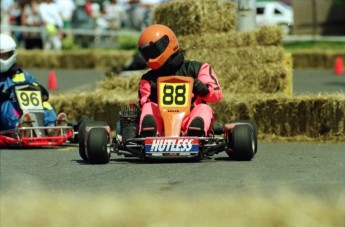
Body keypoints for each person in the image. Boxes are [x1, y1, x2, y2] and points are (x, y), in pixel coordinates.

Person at [136, 24, 222, 138]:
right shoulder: (148, 79)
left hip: (190, 117)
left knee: (204, 108)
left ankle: (195, 133)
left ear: (166, 43)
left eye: (153, 51)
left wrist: (203, 89)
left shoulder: (198, 68)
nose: (150, 57)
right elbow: (143, 103)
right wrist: (154, 92)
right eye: (146, 54)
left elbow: (217, 95)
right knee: (148, 107)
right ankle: (150, 134)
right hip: (162, 122)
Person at [0, 34, 67, 136]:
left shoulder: (23, 75)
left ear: (12, 54)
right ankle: (19, 128)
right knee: (6, 105)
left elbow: (35, 87)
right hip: (5, 115)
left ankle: (52, 128)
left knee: (44, 104)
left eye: (3, 56)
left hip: (25, 112)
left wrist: (40, 90)